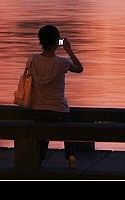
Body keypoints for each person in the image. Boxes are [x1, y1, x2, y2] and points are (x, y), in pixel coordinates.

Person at [25, 24, 84, 169]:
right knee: (67, 128)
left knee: (42, 130)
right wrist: (69, 50)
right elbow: (80, 68)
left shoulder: (32, 60)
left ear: (41, 41)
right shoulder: (63, 62)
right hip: (59, 110)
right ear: (57, 42)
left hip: (38, 110)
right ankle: (71, 156)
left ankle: (39, 157)